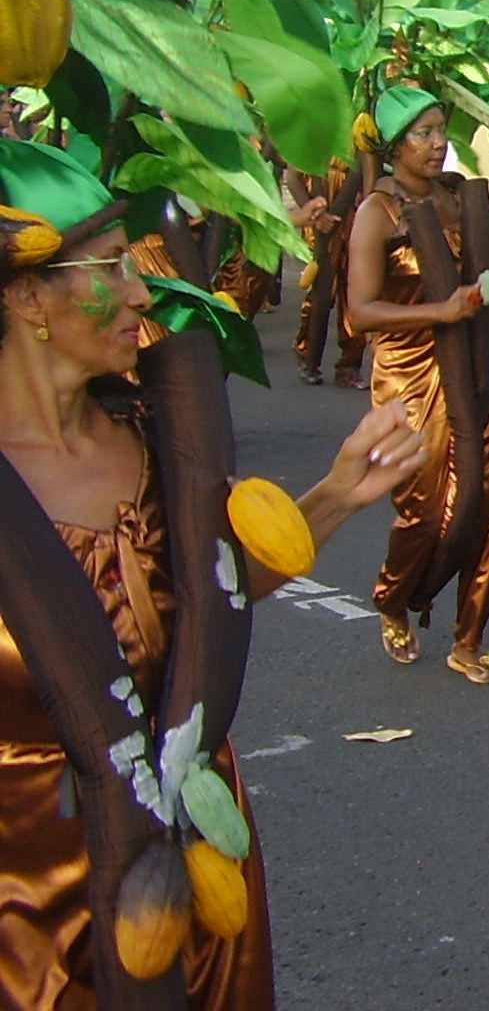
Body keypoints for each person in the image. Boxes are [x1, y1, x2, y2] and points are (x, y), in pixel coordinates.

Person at [0, 137, 425, 1009]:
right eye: (109, 268)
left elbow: (209, 599)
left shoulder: (150, 432)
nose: (140, 292)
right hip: (32, 874)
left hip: (197, 835)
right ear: (25, 296)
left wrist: (339, 495)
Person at [348, 87, 489, 684]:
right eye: (422, 133)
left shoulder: (454, 197)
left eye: (441, 129)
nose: (438, 142)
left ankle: (469, 637)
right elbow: (361, 312)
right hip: (410, 376)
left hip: (477, 364)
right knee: (424, 512)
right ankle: (395, 597)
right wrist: (439, 313)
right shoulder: (378, 213)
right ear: (394, 145)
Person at [290, 156, 368, 390]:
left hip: (352, 214)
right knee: (322, 292)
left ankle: (349, 366)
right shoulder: (312, 131)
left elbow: (362, 171)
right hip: (320, 215)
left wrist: (336, 214)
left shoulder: (361, 127)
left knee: (354, 290)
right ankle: (309, 359)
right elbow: (293, 178)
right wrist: (316, 215)